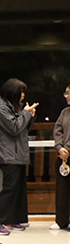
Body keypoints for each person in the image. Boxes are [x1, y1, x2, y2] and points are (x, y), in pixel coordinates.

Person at [0, 78, 37, 235]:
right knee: (9, 188)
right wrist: (26, 113)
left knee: (18, 189)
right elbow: (15, 127)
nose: (23, 95)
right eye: (21, 92)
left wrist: (30, 115)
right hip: (8, 154)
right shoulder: (1, 109)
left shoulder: (14, 108)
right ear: (13, 92)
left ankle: (13, 219)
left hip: (19, 153)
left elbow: (23, 128)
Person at [52, 85, 70, 231]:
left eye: (69, 93)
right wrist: (59, 147)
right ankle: (61, 221)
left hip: (67, 152)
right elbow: (57, 130)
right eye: (66, 93)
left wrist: (67, 148)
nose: (66, 96)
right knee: (62, 190)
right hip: (63, 156)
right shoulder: (65, 112)